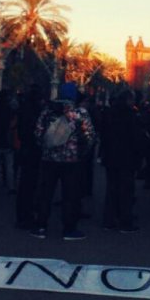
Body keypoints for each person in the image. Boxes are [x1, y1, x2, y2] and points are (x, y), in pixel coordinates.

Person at [30, 83, 97, 241]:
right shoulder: (79, 113)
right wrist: (82, 152)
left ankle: (40, 226)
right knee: (70, 195)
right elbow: (90, 136)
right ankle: (69, 228)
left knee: (45, 193)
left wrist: (46, 148)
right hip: (71, 160)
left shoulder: (48, 111)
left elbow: (38, 133)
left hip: (49, 159)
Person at [99, 90, 145, 233]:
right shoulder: (131, 116)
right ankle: (125, 222)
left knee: (111, 189)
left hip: (110, 158)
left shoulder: (109, 114)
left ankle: (109, 220)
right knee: (126, 191)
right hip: (127, 159)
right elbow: (137, 139)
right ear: (128, 100)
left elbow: (103, 135)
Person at [15, 86, 45, 229]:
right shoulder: (36, 113)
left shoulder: (23, 110)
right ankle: (28, 214)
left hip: (25, 150)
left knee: (25, 184)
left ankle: (22, 214)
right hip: (33, 151)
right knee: (31, 184)